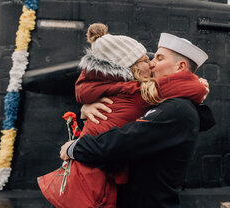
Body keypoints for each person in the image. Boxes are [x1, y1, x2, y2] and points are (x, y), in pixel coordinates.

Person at [38, 24, 208, 208]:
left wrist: (75, 148)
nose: (152, 63)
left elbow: (123, 141)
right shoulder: (160, 102)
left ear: (181, 66)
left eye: (158, 58)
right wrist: (85, 111)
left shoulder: (176, 109)